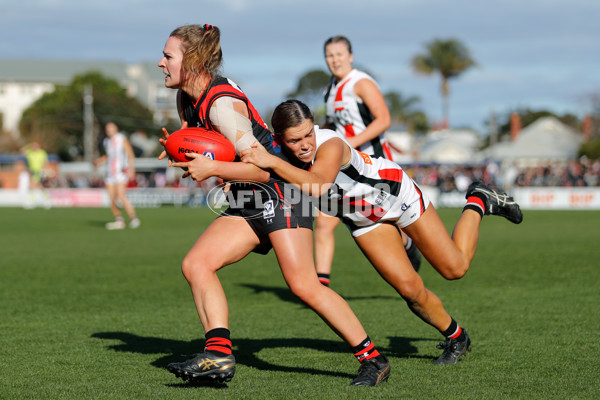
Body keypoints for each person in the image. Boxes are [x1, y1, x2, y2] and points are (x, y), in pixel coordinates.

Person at [157, 24, 389, 386]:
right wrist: (178, 150)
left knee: (304, 286)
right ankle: (218, 355)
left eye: (168, 56)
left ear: (193, 60)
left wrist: (213, 168)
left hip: (281, 192)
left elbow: (262, 169)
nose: (161, 62)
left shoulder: (221, 105)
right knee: (196, 263)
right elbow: (198, 142)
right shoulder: (186, 96)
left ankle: (373, 359)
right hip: (250, 196)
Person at [240, 100, 523, 365]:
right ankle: (457, 337)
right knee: (410, 290)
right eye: (294, 140)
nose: (304, 145)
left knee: (455, 269)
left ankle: (479, 200)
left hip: (396, 195)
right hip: (364, 220)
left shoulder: (329, 143)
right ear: (279, 139)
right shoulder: (278, 155)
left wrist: (271, 162)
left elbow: (319, 185)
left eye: (307, 135)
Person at [316, 35, 420, 287]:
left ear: (350, 56)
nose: (335, 60)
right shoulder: (329, 90)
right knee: (323, 220)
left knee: (387, 222)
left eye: (339, 54)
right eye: (330, 55)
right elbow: (334, 125)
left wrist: (349, 143)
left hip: (373, 164)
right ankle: (321, 286)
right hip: (342, 167)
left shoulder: (360, 83)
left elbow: (384, 119)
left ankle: (409, 246)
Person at [94, 122, 140, 230]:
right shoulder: (107, 142)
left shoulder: (121, 139)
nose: (108, 130)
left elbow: (130, 154)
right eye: (107, 129)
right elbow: (109, 156)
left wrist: (131, 170)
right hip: (110, 173)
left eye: (110, 128)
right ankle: (119, 220)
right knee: (111, 199)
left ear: (116, 128)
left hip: (120, 172)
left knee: (121, 196)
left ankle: (133, 218)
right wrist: (100, 160)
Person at [20, 141, 51, 208]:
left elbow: (45, 162)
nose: (34, 147)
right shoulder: (30, 152)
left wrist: (45, 170)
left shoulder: (42, 153)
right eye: (33, 146)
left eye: (35, 146)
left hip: (39, 171)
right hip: (32, 171)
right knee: (39, 186)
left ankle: (32, 202)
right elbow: (22, 150)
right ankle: (47, 199)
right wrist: (28, 145)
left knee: (33, 185)